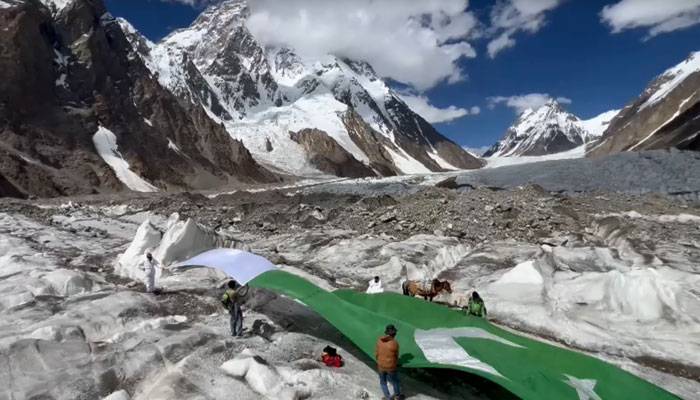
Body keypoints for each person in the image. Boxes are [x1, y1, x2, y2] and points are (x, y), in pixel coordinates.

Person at [376, 324, 402, 400]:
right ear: (393, 334)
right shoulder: (394, 343)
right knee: (395, 381)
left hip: (380, 365)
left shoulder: (379, 341)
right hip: (390, 367)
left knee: (383, 382)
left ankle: (387, 397)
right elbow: (396, 356)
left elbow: (376, 353)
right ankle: (397, 396)